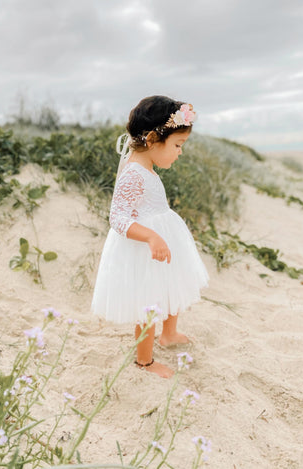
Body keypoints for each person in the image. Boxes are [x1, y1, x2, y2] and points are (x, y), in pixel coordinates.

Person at [91, 95, 209, 378]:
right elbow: (118, 217)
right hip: (144, 249)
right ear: (155, 139)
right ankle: (144, 360)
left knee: (172, 284)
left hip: (162, 239)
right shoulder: (133, 173)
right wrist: (151, 237)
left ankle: (169, 333)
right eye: (177, 145)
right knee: (149, 302)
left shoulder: (145, 167)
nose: (180, 152)